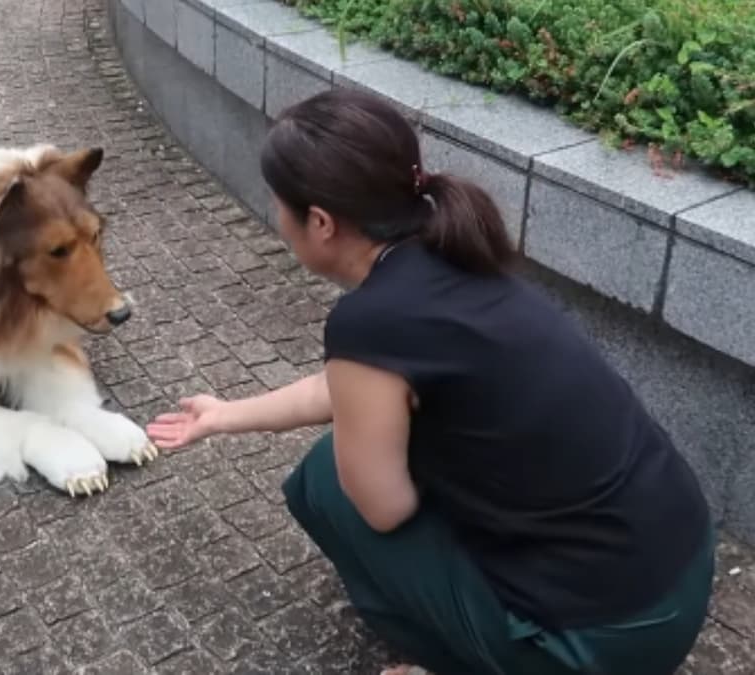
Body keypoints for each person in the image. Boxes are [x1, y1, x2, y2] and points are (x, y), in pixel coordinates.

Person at [145, 88, 715, 675]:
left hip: (599, 645)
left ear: (319, 222)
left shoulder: (372, 321)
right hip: (682, 569)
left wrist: (418, 468)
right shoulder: (451, 252)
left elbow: (383, 509)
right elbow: (345, 391)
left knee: (328, 484)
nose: (276, 216)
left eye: (278, 204)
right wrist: (223, 414)